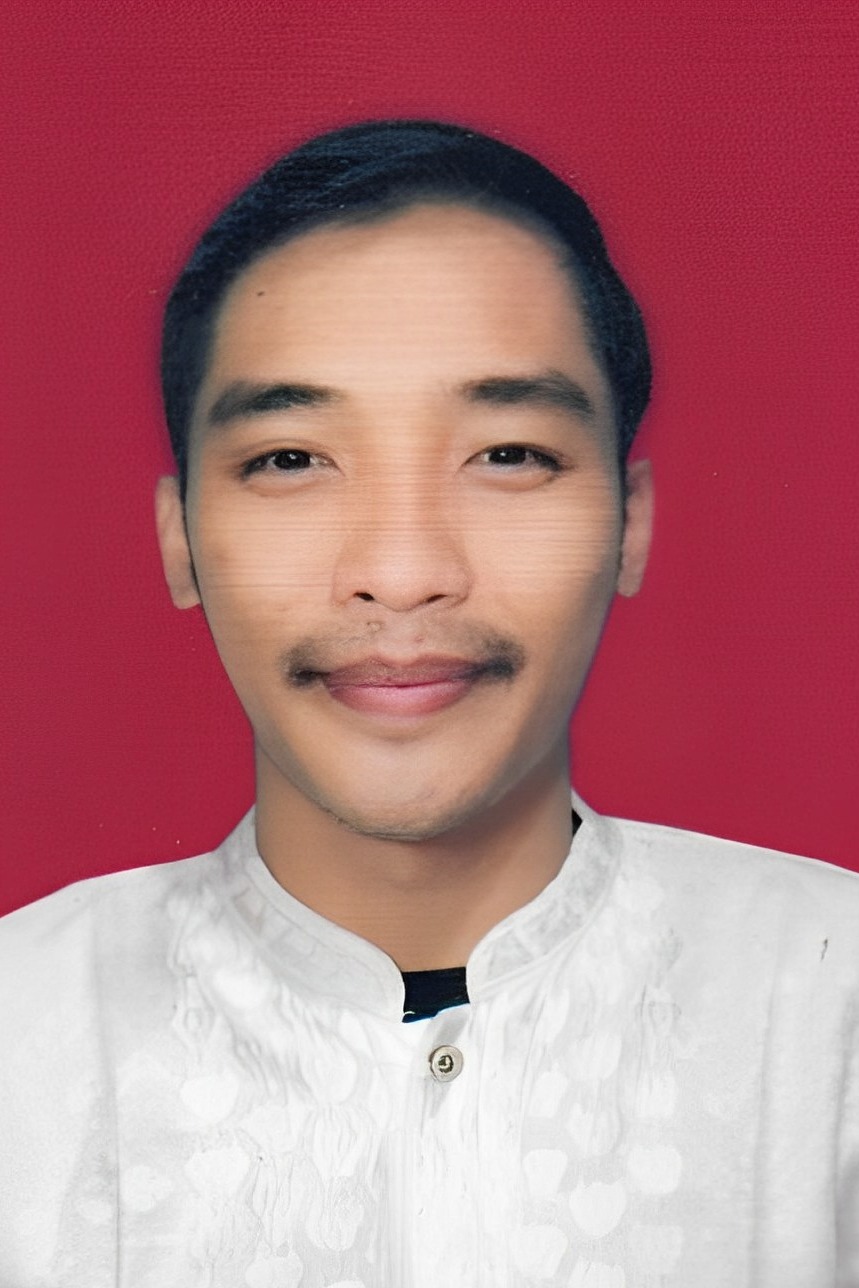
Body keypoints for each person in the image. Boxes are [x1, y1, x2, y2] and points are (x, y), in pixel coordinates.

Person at [0, 119, 856, 1287]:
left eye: (506, 454)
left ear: (630, 522)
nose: (401, 571)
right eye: (291, 459)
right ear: (179, 540)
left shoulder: (830, 1015)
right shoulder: (25, 1037)